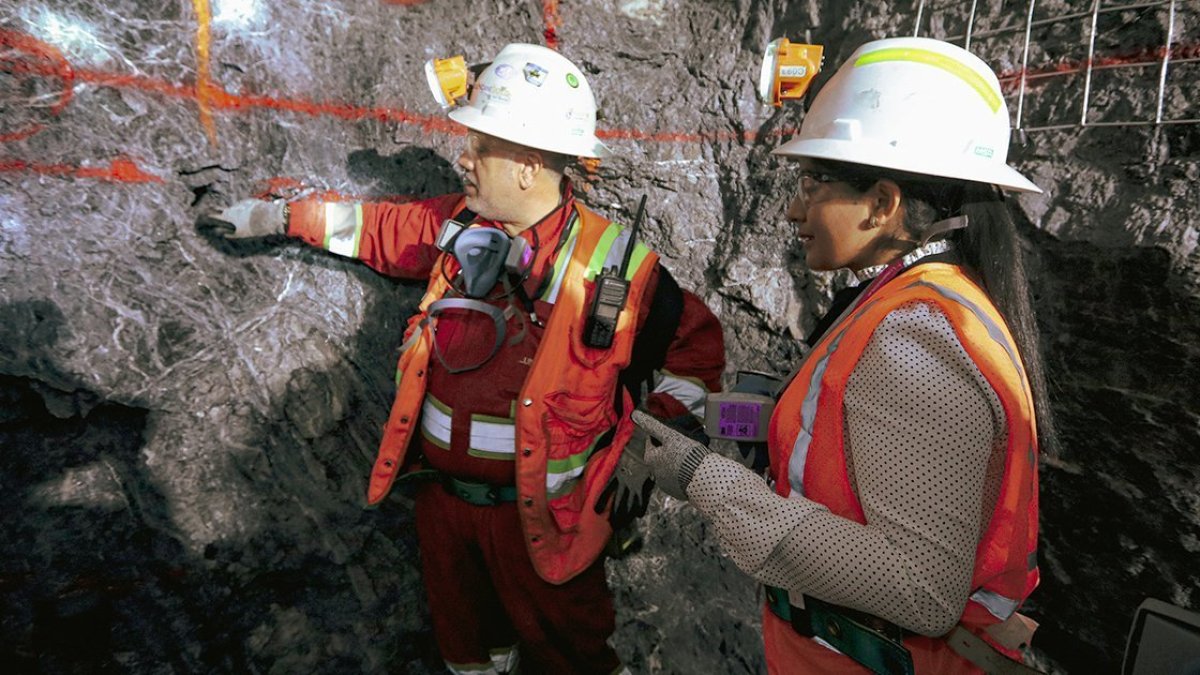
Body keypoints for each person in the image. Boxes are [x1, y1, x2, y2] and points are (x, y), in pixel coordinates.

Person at [205, 43, 724, 675]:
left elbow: (695, 353)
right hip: (445, 511)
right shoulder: (456, 228)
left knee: (574, 656)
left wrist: (650, 448)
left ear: (530, 165)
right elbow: (375, 229)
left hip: (550, 523)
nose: (465, 159)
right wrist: (279, 215)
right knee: (469, 656)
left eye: (480, 146)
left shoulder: (617, 268)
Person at [633, 36, 1054, 674]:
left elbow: (921, 587)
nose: (794, 208)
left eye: (813, 183)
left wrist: (703, 481)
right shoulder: (914, 301)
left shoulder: (919, 336)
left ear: (883, 205)